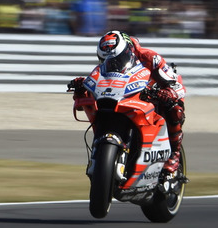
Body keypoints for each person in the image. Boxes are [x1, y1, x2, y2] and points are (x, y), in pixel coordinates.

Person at [68, 30, 186, 177]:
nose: (113, 63)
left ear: (128, 51)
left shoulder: (150, 57)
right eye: (107, 60)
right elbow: (99, 80)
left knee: (174, 108)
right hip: (124, 96)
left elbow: (176, 84)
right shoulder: (105, 65)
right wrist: (83, 87)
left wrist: (169, 93)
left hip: (154, 92)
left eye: (117, 59)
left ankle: (174, 153)